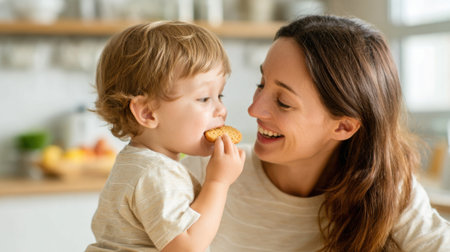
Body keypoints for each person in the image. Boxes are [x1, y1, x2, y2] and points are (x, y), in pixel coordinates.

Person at [182, 15, 450, 251]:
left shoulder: (387, 189)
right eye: (261, 84)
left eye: (283, 102)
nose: (254, 109)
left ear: (343, 126)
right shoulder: (202, 174)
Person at [85, 21, 245, 252]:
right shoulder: (156, 173)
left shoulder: (139, 162)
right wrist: (218, 182)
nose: (221, 110)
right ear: (148, 113)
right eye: (204, 99)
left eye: (220, 95)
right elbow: (187, 247)